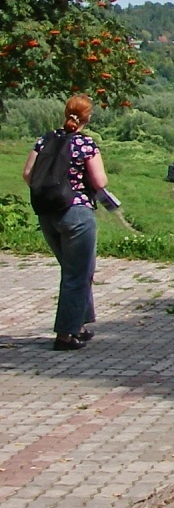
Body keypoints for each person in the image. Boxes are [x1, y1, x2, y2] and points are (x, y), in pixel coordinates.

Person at [21, 95, 106, 351]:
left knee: (76, 270)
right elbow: (100, 182)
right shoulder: (85, 144)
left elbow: (28, 174)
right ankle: (66, 335)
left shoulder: (45, 140)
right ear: (87, 117)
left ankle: (80, 323)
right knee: (77, 274)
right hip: (76, 213)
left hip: (48, 213)